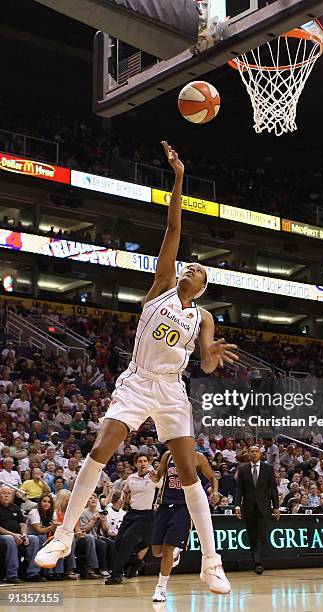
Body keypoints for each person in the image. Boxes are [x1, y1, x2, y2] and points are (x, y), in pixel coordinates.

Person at [36, 142, 237, 594]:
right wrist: (180, 177)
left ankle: (210, 561)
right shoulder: (163, 286)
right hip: (137, 380)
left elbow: (203, 362)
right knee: (103, 445)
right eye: (188, 266)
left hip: (171, 390)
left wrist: (214, 354)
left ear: (202, 288)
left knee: (188, 472)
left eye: (197, 271)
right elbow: (172, 227)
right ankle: (63, 535)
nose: (189, 270)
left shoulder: (203, 317)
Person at [150, 450, 218, 602]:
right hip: (164, 504)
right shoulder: (167, 456)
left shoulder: (197, 457)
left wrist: (215, 491)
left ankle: (160, 589)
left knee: (168, 548)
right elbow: (159, 475)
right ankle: (175, 553)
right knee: (156, 551)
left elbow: (212, 477)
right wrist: (155, 477)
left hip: (184, 506)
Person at [105, 453, 156, 584]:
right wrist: (123, 498)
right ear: (135, 464)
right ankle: (136, 562)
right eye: (140, 461)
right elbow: (126, 491)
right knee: (118, 543)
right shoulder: (131, 478)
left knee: (126, 543)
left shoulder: (154, 477)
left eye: (145, 461)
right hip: (132, 513)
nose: (143, 463)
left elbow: (163, 489)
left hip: (146, 515)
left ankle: (116, 576)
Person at [234, 446, 280, 575]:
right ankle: (257, 562)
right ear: (249, 454)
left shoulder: (268, 468)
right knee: (252, 536)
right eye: (252, 451)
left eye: (256, 451)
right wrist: (237, 505)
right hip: (248, 507)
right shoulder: (243, 469)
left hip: (264, 507)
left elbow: (273, 489)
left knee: (262, 535)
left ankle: (258, 560)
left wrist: (276, 506)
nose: (254, 453)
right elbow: (240, 490)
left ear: (260, 454)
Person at [0, 485, 45, 583]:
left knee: (34, 539)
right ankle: (11, 575)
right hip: (4, 537)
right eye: (3, 493)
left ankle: (33, 573)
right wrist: (13, 535)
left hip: (17, 535)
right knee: (9, 539)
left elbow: (23, 524)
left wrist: (24, 534)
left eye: (9, 493)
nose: (6, 496)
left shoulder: (15, 508)